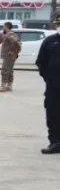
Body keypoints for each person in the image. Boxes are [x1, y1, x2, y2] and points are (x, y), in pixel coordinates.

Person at [35, 9, 60, 154]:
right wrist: (50, 79)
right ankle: (55, 142)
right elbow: (41, 62)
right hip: (53, 87)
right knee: (53, 114)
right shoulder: (50, 41)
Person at [0, 21, 21, 92]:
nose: (3, 28)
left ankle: (3, 86)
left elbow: (14, 42)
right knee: (9, 70)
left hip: (9, 55)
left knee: (5, 70)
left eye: (4, 26)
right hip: (9, 55)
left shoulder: (10, 34)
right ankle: (9, 85)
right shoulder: (8, 34)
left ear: (7, 27)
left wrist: (12, 50)